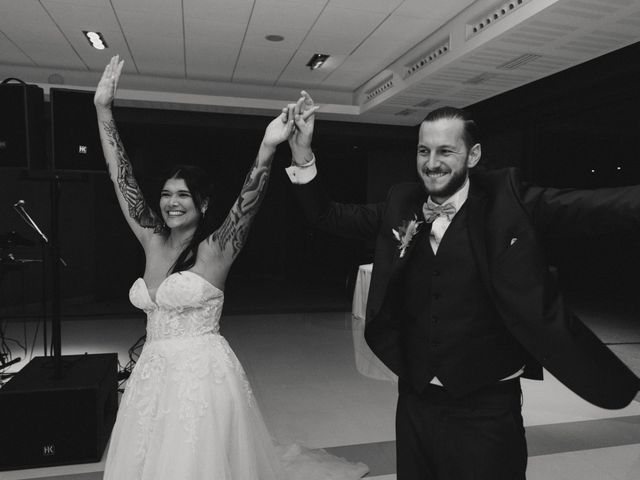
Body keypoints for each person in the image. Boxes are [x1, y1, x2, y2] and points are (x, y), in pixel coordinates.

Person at [285, 91, 640, 480]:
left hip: (487, 406)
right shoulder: (401, 202)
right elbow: (327, 216)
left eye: (445, 152)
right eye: (423, 151)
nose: (432, 163)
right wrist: (302, 152)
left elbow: (596, 208)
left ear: (472, 156)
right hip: (416, 398)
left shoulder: (510, 201)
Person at [95, 56, 368, 480]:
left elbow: (249, 201)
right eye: (166, 194)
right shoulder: (151, 238)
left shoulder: (215, 250)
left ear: (202, 204)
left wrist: (267, 146)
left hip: (202, 377)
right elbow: (121, 178)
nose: (171, 202)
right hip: (153, 373)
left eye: (183, 195)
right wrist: (103, 110)